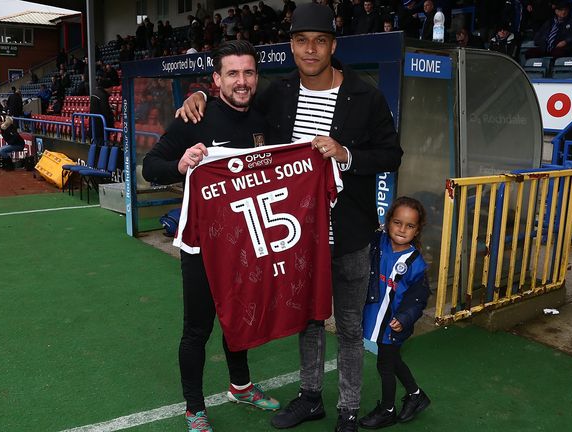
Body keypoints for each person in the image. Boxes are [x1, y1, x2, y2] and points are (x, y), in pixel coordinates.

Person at [177, 4, 403, 430]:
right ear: (292, 47)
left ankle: (349, 409)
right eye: (302, 41)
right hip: (298, 235)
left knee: (351, 328)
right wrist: (201, 95)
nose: (311, 50)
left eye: (320, 41)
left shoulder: (365, 94)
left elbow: (392, 153)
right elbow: (235, 95)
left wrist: (347, 154)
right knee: (309, 320)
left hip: (350, 232)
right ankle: (311, 397)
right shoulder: (278, 92)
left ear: (333, 46)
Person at [142, 40, 280, 432]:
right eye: (232, 73)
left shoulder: (263, 119)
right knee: (198, 328)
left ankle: (241, 386)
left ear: (257, 77)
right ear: (217, 79)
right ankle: (195, 408)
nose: (242, 81)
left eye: (248, 72)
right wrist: (181, 164)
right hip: (203, 244)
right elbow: (151, 166)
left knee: (239, 317)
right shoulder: (195, 118)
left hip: (246, 241)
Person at [358, 196, 431, 429]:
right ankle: (416, 395)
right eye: (398, 222)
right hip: (375, 317)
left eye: (410, 226)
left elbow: (418, 298)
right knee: (392, 359)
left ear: (417, 230)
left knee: (385, 365)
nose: (402, 229)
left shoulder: (415, 263)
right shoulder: (379, 243)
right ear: (388, 223)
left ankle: (387, 410)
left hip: (393, 323)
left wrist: (404, 318)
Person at [89, 78, 115, 146]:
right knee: (101, 144)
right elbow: (106, 112)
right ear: (107, 88)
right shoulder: (103, 96)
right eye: (111, 88)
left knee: (95, 144)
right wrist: (111, 126)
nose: (112, 90)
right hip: (101, 127)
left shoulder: (94, 94)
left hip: (94, 125)